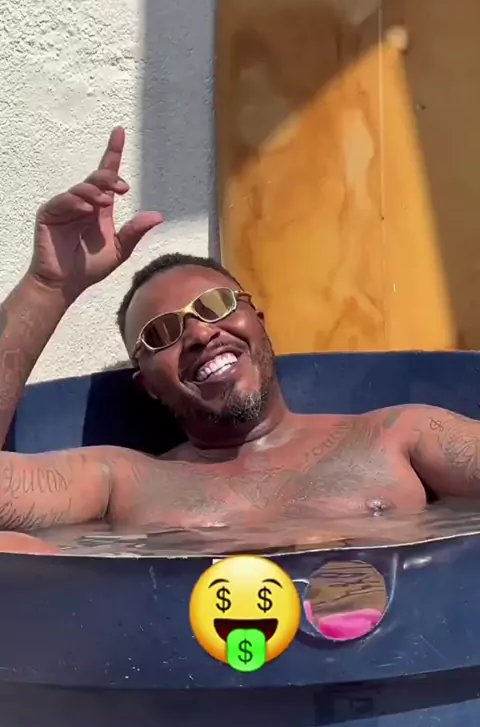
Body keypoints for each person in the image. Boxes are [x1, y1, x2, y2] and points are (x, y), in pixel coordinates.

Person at [0, 127, 480, 552]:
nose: (201, 332)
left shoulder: (398, 434)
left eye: (217, 305)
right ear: (147, 384)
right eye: (162, 334)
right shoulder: (122, 481)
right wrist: (47, 287)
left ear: (259, 324)